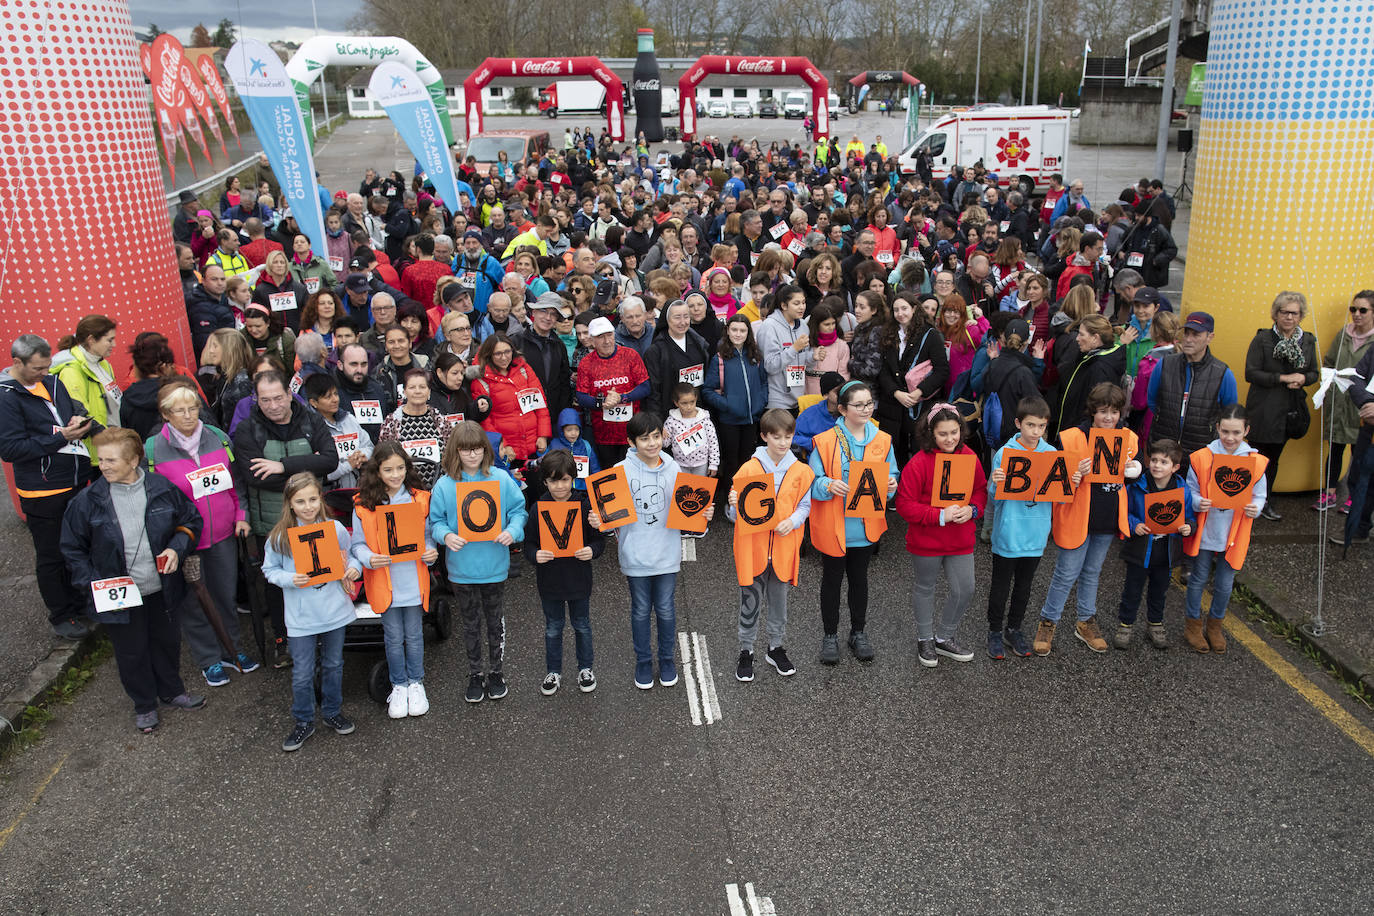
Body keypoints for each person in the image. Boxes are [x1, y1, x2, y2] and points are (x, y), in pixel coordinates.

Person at [60, 428, 205, 733]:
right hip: (119, 595)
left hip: (161, 587)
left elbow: (190, 520)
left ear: (134, 459)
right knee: (131, 651)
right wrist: (94, 584)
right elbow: (72, 550)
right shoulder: (86, 502)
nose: (104, 466)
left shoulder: (162, 488)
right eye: (101, 460)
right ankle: (144, 705)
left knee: (166, 642)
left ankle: (171, 691)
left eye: (112, 460)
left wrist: (176, 548)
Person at [145, 379, 258, 687]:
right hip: (183, 540)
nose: (188, 415)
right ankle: (208, 659)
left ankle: (232, 649)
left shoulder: (219, 438)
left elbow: (237, 483)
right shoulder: (153, 449)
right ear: (166, 414)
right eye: (179, 410)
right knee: (193, 600)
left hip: (222, 533)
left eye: (193, 408)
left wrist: (241, 515)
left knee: (224, 593)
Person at [233, 369, 339, 667]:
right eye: (265, 400)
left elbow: (329, 460)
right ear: (256, 399)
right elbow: (254, 477)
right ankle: (283, 640)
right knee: (278, 584)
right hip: (271, 522)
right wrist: (306, 476)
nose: (273, 405)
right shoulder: (247, 430)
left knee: (319, 573)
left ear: (290, 394)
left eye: (278, 398)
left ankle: (323, 632)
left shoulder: (310, 418)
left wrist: (282, 466)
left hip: (311, 518)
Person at [0, 335, 101, 638]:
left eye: (47, 367)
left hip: (75, 479)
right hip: (42, 492)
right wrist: (62, 438)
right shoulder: (6, 397)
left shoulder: (54, 382)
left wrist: (81, 419)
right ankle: (62, 615)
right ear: (17, 363)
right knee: (52, 555)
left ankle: (81, 603)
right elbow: (11, 449)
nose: (44, 373)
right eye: (38, 369)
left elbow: (75, 408)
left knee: (79, 547)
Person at [1034, 383, 1140, 656]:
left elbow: (1133, 473)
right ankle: (1048, 621)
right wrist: (1074, 474)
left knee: (1092, 572)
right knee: (1066, 573)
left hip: (1107, 514)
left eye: (1114, 412)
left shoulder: (1128, 438)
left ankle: (1085, 621)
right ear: (1093, 411)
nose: (1109, 418)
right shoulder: (1072, 437)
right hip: (1078, 514)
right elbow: (1055, 481)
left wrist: (1133, 470)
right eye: (1103, 411)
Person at [600, 411, 702, 690]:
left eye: (656, 436)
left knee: (667, 610)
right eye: (644, 439)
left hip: (667, 553)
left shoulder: (674, 468)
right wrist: (600, 520)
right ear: (631, 441)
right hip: (635, 554)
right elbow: (609, 518)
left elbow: (688, 510)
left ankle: (667, 659)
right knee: (641, 610)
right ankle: (643, 661)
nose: (652, 443)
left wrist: (701, 512)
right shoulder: (619, 471)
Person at [262, 472, 362, 752]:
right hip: (301, 618)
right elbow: (269, 570)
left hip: (334, 612)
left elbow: (350, 554)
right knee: (303, 672)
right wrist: (289, 579)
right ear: (290, 504)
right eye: (300, 501)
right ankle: (303, 720)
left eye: (313, 500)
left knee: (333, 665)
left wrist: (355, 568)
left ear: (320, 499)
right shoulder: (280, 538)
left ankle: (332, 711)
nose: (307, 506)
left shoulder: (334, 528)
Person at [430, 421, 526, 704]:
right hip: (461, 569)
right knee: (470, 624)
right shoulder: (445, 485)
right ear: (455, 452)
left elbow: (519, 511)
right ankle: (475, 673)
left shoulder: (500, 478)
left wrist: (513, 531)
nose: (472, 455)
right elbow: (434, 522)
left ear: (486, 450)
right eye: (465, 450)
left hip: (494, 567)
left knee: (494, 622)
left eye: (477, 450)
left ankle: (496, 672)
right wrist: (445, 535)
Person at [807, 381, 899, 664]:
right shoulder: (824, 441)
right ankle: (830, 635)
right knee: (832, 581)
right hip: (835, 526)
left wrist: (892, 485)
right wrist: (827, 485)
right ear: (843, 409)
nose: (865, 409)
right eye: (858, 405)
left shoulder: (883, 440)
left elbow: (891, 475)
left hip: (865, 525)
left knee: (860, 580)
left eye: (869, 403)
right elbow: (811, 482)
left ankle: (858, 632)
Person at [351, 442, 439, 719]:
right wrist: (368, 558)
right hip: (384, 580)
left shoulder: (419, 499)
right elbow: (357, 544)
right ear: (376, 471)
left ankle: (416, 682)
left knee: (413, 635)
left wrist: (430, 551)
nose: (395, 474)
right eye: (388, 469)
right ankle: (398, 684)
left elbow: (428, 535)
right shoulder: (363, 504)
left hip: (412, 577)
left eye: (400, 468)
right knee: (392, 636)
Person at [728, 408, 813, 682]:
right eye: (776, 437)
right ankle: (746, 650)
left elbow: (805, 505)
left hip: (783, 549)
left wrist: (795, 521)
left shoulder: (801, 470)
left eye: (788, 436)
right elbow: (734, 514)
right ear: (764, 436)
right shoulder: (749, 468)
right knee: (749, 603)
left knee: (779, 603)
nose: (783, 442)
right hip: (753, 549)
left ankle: (775, 647)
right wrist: (732, 505)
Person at [1183, 405, 1267, 653]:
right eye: (1225, 431)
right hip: (1207, 529)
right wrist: (1199, 502)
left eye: (1237, 432)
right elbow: (1190, 490)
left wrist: (1256, 508)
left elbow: (1260, 495)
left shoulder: (1255, 462)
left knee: (1224, 583)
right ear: (1217, 428)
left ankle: (1215, 626)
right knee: (1197, 579)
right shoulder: (1201, 457)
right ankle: (1193, 625)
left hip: (1234, 531)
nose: (1230, 438)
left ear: (1246, 431)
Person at [523, 449, 606, 696]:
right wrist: (535, 555)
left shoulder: (585, 506)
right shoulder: (538, 509)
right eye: (553, 480)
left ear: (574, 478)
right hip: (550, 581)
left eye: (565, 480)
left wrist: (592, 550)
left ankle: (586, 668)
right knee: (553, 627)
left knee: (582, 625)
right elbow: (528, 543)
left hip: (579, 578)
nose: (559, 486)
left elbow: (599, 540)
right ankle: (554, 671)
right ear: (545, 482)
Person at [985, 397, 1057, 659]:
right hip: (1009, 533)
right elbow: (994, 497)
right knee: (1000, 586)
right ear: (1018, 423)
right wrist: (995, 482)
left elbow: (1058, 495)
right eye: (1030, 425)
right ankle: (994, 630)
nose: (1035, 431)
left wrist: (1071, 481)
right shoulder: (1005, 454)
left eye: (1040, 426)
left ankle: (1013, 628)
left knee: (1024, 586)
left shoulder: (1051, 455)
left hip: (1036, 535)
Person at [1114, 437, 1196, 650]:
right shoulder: (1137, 486)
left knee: (1159, 591)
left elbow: (1189, 518)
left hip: (1166, 552)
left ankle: (1155, 624)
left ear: (1175, 467)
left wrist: (1188, 526)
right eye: (1155, 460)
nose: (1157, 465)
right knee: (1132, 589)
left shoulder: (1183, 490)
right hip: (1140, 550)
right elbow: (1126, 511)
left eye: (1164, 462)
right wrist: (1135, 525)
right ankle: (1125, 625)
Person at [1243, 291, 1318, 520]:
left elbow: (1315, 371)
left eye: (1294, 313)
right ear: (1275, 314)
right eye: (1284, 312)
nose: (1289, 317)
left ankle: (1265, 501)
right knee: (1257, 457)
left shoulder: (1307, 340)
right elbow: (1251, 372)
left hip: (1289, 410)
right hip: (1263, 409)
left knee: (1273, 459)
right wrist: (1282, 379)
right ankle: (1246, 500)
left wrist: (1304, 379)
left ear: (1300, 315)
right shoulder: (1263, 339)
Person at [1146, 312, 1238, 460]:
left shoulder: (1223, 374)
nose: (1188, 339)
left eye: (1196, 335)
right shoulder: (1165, 365)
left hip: (1200, 454)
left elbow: (1229, 415)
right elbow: (1152, 401)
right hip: (1163, 451)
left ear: (1210, 337)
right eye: (1187, 333)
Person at [1316, 290, 1374, 512]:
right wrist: (1330, 381)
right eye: (1353, 309)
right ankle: (1329, 493)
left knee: (1359, 451)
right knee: (1335, 447)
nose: (1356, 314)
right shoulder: (1344, 334)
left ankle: (1353, 496)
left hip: (1362, 404)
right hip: (1339, 400)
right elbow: (1330, 360)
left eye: (1362, 310)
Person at [702, 313, 768, 509]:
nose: (738, 334)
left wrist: (761, 402)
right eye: (734, 330)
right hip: (729, 420)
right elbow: (707, 390)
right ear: (728, 331)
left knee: (747, 460)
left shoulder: (755, 356)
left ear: (748, 333)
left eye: (742, 330)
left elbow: (764, 383)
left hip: (751, 418)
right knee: (731, 462)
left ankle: (745, 500)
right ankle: (731, 501)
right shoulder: (720, 359)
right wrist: (728, 405)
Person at [876, 294, 948, 466]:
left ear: (914, 309)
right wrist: (896, 393)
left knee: (919, 452)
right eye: (896, 310)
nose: (900, 313)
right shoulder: (889, 334)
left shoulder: (930, 335)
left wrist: (919, 392)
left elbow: (942, 370)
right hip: (893, 405)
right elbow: (883, 371)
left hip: (919, 405)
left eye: (904, 308)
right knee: (894, 453)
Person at [575, 316, 651, 470]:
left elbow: (645, 386)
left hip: (631, 431)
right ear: (592, 340)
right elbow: (581, 396)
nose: (606, 341)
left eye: (609, 335)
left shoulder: (630, 355)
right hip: (604, 434)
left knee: (635, 473)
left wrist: (623, 398)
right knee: (612, 476)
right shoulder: (586, 363)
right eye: (600, 337)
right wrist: (602, 403)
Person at [467, 333, 550, 462]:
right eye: (498, 354)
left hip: (533, 445)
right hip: (506, 452)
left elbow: (541, 406)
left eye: (507, 352)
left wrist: (543, 435)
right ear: (489, 355)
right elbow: (485, 420)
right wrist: (502, 445)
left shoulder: (524, 369)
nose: (504, 357)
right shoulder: (481, 380)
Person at [53, 314, 120, 464]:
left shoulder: (103, 364)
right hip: (93, 454)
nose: (114, 344)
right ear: (91, 340)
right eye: (109, 340)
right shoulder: (71, 370)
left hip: (111, 445)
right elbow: (80, 415)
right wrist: (111, 439)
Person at [1055, 314, 1126, 436]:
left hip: (1082, 436)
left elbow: (1095, 408)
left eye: (1081, 334)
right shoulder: (1090, 357)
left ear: (1095, 338)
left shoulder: (1099, 368)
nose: (1077, 338)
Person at [302, 373, 373, 490]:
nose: (335, 399)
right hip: (327, 494)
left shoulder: (349, 419)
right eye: (328, 396)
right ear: (313, 403)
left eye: (335, 394)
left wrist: (361, 455)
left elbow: (369, 446)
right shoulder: (309, 429)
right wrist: (348, 465)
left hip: (358, 487)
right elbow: (319, 472)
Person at [663, 383, 720, 522]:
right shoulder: (671, 421)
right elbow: (665, 445)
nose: (689, 406)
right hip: (680, 463)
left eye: (692, 402)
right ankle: (684, 520)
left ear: (696, 400)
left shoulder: (704, 420)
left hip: (701, 463)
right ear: (676, 403)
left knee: (700, 491)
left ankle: (699, 522)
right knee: (683, 492)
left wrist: (714, 464)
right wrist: (663, 434)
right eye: (684, 403)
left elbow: (713, 442)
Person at [756, 283, 812, 411]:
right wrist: (794, 348)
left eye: (803, 303)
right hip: (776, 401)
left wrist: (813, 357)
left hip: (798, 399)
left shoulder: (803, 326)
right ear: (784, 305)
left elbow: (805, 363)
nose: (802, 307)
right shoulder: (769, 326)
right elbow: (770, 365)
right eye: (796, 303)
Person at [242, 303, 296, 370]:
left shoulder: (284, 339)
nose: (253, 330)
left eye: (258, 326)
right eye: (249, 326)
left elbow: (292, 369)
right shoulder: (242, 339)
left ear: (268, 323)